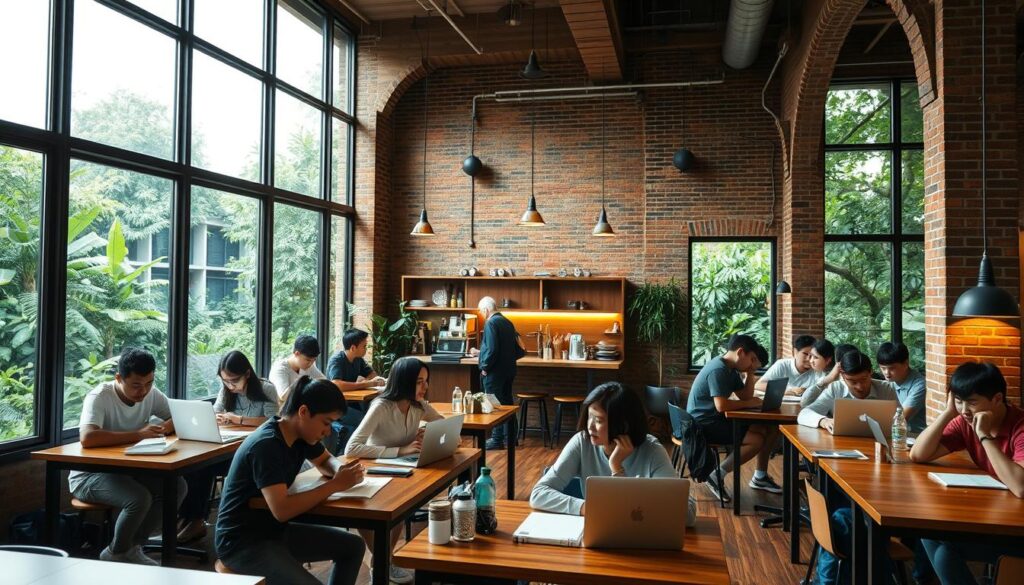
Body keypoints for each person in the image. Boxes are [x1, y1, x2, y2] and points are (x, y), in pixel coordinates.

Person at [214, 376, 366, 585]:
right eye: (326, 422)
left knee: (353, 546)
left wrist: (340, 471)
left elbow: (325, 460)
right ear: (303, 412)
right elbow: (282, 509)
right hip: (242, 542)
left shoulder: (301, 435)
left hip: (273, 530)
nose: (328, 431)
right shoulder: (266, 445)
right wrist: (336, 484)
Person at [68, 347, 184, 566]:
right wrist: (139, 434)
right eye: (136, 385)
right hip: (89, 476)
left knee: (177, 487)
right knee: (138, 498)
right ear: (119, 378)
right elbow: (88, 437)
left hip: (127, 470)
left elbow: (177, 415)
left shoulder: (151, 393)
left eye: (149, 383)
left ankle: (131, 547)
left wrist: (165, 427)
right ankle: (115, 552)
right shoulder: (100, 396)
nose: (143, 391)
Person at [910, 362, 1024, 584]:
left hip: (1018, 530)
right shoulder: (964, 421)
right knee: (928, 531)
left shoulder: (1019, 427)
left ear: (998, 399)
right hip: (1000, 518)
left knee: (944, 550)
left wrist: (984, 437)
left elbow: (1020, 487)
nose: (964, 411)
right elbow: (918, 454)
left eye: (972, 402)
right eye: (959, 401)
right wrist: (946, 413)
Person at [530, 382, 697, 527]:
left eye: (599, 420)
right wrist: (585, 507)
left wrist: (617, 469)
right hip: (599, 536)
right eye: (589, 417)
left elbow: (688, 514)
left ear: (623, 424)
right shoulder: (582, 442)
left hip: (641, 537)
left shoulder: (651, 450)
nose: (590, 426)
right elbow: (539, 494)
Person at [798, 351, 899, 585]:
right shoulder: (835, 390)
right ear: (842, 376)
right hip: (843, 463)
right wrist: (824, 420)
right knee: (849, 516)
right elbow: (805, 412)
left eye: (863, 379)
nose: (860, 386)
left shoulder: (886, 390)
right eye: (852, 382)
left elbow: (899, 425)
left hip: (879, 464)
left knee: (858, 519)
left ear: (870, 372)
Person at [345, 356, 442, 584]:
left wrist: (429, 434)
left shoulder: (419, 406)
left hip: (401, 473)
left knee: (403, 506)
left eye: (426, 381)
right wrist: (400, 450)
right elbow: (352, 447)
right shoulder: (381, 406)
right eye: (419, 382)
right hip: (371, 472)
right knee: (375, 512)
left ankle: (383, 563)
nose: (425, 387)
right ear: (405, 381)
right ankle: (382, 563)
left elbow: (449, 429)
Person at [178, 351, 279, 543]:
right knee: (196, 468)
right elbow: (216, 410)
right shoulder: (226, 390)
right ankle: (193, 520)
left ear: (247, 374)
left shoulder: (266, 388)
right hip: (229, 445)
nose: (230, 385)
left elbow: (273, 421)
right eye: (225, 381)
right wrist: (215, 417)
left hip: (252, 453)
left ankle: (196, 521)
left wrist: (239, 419)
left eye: (234, 380)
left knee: (203, 468)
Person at [685, 334, 779, 502]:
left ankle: (759, 476)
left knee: (765, 428)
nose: (753, 364)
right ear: (741, 352)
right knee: (756, 440)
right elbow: (721, 405)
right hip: (702, 425)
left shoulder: (730, 368)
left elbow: (744, 396)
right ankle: (716, 475)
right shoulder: (718, 369)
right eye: (752, 359)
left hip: (712, 419)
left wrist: (750, 373)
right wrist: (751, 403)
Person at [468, 296, 525, 450]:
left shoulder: (491, 323)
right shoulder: (507, 322)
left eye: (481, 311)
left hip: (495, 373)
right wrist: (481, 353)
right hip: (508, 371)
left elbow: (493, 350)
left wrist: (485, 366)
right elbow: (512, 349)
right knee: (507, 405)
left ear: (486, 310)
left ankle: (497, 439)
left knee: (494, 406)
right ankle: (511, 438)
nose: (481, 313)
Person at [325, 329, 384, 453]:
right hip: (336, 406)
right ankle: (347, 453)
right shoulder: (337, 360)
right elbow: (336, 384)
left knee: (375, 414)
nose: (366, 349)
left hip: (353, 403)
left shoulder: (358, 359)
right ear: (353, 347)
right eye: (364, 346)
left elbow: (372, 374)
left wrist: (366, 381)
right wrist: (366, 384)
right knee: (364, 420)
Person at [876, 341, 927, 433]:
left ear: (906, 364)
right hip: (897, 433)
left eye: (892, 368)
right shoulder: (890, 382)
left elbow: (901, 418)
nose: (887, 373)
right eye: (883, 368)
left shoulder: (919, 385)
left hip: (916, 436)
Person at [269, 335, 327, 406]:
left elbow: (325, 382)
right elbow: (283, 396)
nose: (311, 363)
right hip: (283, 412)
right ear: (297, 354)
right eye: (308, 360)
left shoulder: (309, 365)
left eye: (314, 360)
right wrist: (305, 382)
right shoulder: (280, 368)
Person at [756, 334, 821, 396]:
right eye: (805, 354)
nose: (809, 359)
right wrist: (787, 391)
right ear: (795, 352)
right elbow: (759, 385)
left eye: (813, 355)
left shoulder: (817, 369)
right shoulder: (782, 365)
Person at [800, 342, 856, 408]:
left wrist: (827, 379)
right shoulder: (822, 375)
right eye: (811, 356)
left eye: (815, 357)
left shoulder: (836, 382)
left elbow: (805, 403)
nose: (811, 361)